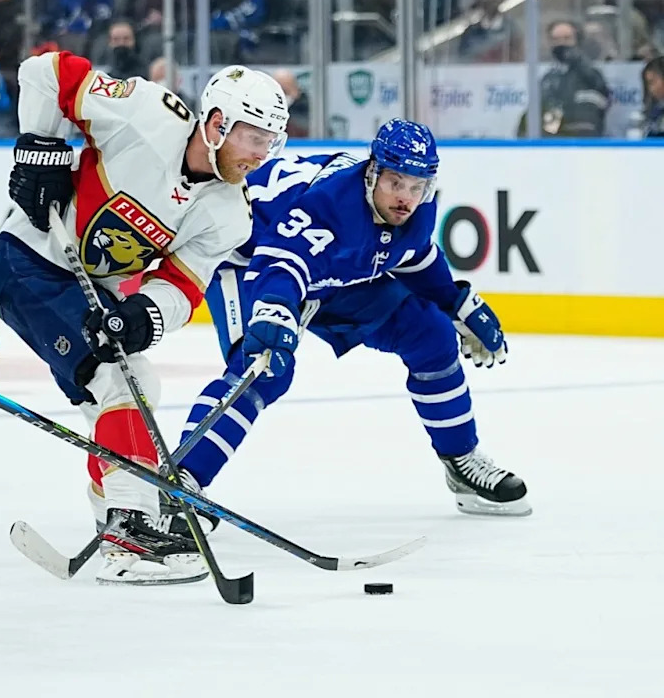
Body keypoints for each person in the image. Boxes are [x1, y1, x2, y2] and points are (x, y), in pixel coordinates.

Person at [0, 52, 288, 586]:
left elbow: (182, 285)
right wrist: (41, 146)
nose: (261, 154)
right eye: (253, 137)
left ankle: (117, 510)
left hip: (90, 290)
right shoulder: (145, 114)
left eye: (270, 142)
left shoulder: (229, 214)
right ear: (216, 124)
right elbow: (43, 72)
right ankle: (130, 531)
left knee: (132, 386)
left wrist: (144, 313)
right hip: (28, 261)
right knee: (116, 379)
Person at [166, 119, 531, 534]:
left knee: (430, 333)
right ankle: (182, 481)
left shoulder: (414, 209)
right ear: (373, 171)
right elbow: (281, 263)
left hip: (326, 272)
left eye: (417, 186)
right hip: (249, 263)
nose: (406, 198)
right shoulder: (329, 206)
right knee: (262, 371)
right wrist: (275, 310)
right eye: (396, 182)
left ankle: (461, 459)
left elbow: (415, 257)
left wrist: (455, 301)